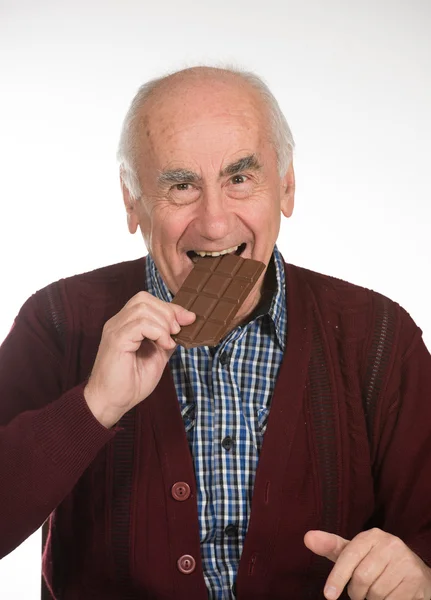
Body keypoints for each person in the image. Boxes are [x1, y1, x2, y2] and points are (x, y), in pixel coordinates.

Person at [1, 66, 431, 600]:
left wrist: (421, 575)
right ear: (132, 201)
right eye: (181, 186)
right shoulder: (60, 321)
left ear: (287, 187)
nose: (215, 223)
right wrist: (94, 407)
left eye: (240, 178)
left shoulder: (377, 335)